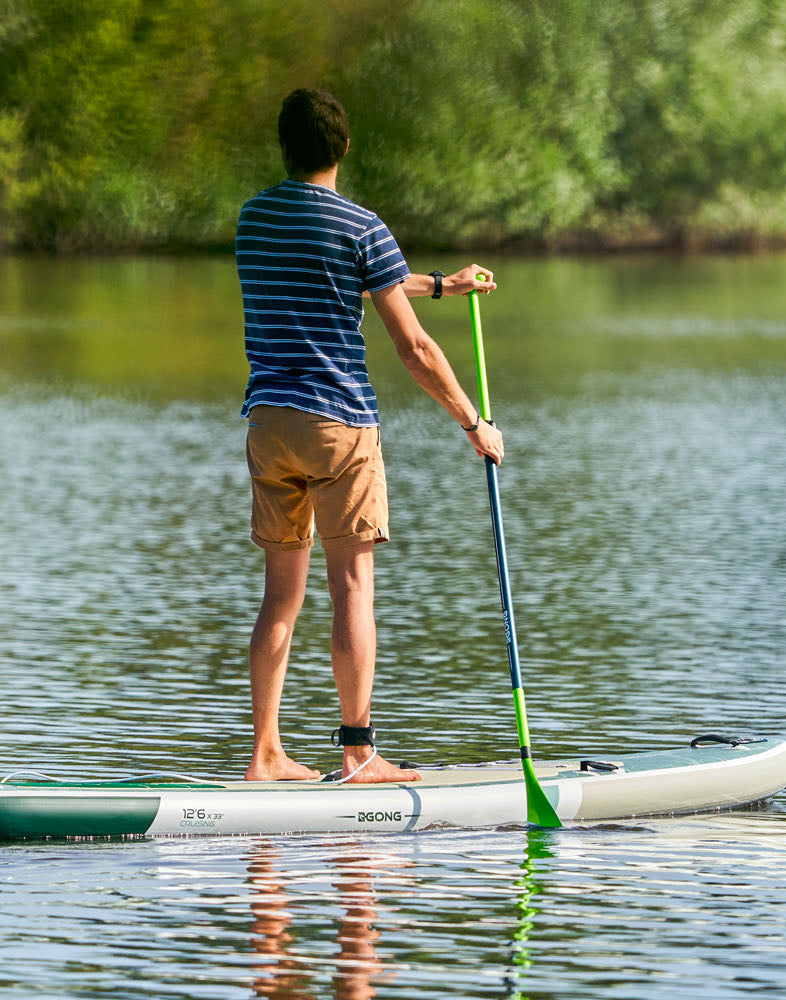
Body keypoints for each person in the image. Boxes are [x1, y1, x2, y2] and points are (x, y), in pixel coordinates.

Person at [238, 89, 504, 783]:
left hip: (268, 424)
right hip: (338, 426)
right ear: (344, 148)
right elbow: (413, 350)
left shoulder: (254, 219)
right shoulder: (362, 226)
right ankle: (358, 753)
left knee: (280, 596)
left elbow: (345, 279)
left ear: (285, 146)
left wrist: (443, 285)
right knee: (352, 586)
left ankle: (265, 755)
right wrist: (474, 424)